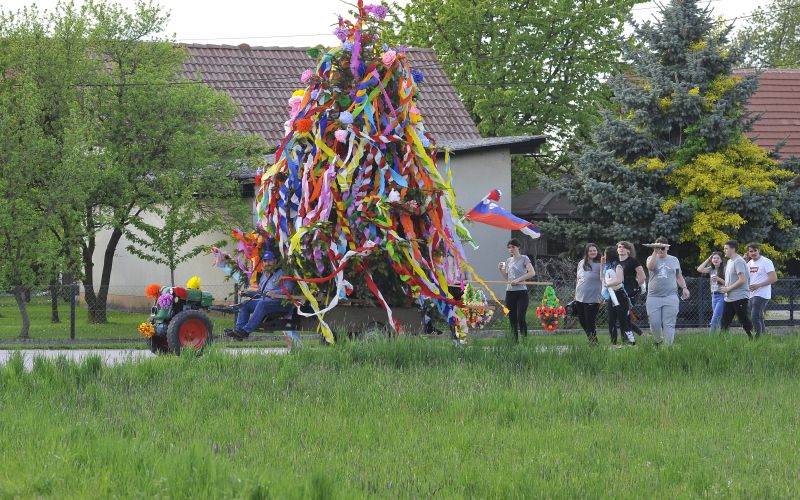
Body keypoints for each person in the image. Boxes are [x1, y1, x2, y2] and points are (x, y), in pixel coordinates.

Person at [226, 250, 294, 340]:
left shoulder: (283, 273)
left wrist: (275, 293)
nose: (267, 263)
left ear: (275, 261)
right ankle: (239, 331)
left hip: (280, 303)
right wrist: (248, 293)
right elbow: (261, 293)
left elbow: (289, 289)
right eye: (265, 261)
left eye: (270, 260)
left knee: (262, 304)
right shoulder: (264, 275)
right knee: (245, 304)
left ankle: (246, 331)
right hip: (265, 302)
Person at [645, 237, 690, 346]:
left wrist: (684, 287)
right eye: (658, 248)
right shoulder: (651, 258)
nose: (660, 250)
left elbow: (678, 276)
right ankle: (658, 341)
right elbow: (650, 267)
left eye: (662, 248)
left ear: (667, 248)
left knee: (669, 323)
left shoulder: (674, 260)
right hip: (653, 297)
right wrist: (655, 252)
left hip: (671, 296)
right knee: (654, 323)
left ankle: (667, 348)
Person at [498, 238, 536, 341]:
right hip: (510, 293)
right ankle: (514, 342)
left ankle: (525, 340)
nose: (511, 249)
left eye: (513, 247)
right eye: (509, 247)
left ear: (518, 247)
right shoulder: (508, 260)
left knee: (520, 317)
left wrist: (518, 280)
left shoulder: (524, 258)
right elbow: (508, 278)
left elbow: (532, 273)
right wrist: (501, 270)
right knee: (512, 319)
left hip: (521, 293)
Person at [720, 240, 754, 339]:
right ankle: (722, 340)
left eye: (726, 248)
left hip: (739, 296)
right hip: (729, 297)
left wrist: (728, 288)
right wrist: (726, 288)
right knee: (725, 320)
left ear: (733, 249)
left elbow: (742, 280)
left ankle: (753, 337)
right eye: (724, 248)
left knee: (743, 318)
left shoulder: (738, 261)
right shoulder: (730, 261)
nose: (724, 250)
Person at [602, 246, 634, 347]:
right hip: (612, 295)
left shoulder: (618, 266)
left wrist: (608, 285)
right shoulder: (608, 266)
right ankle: (613, 342)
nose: (604, 256)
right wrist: (602, 265)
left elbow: (620, 280)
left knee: (623, 320)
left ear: (609, 255)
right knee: (611, 320)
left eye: (605, 254)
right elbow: (602, 278)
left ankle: (631, 342)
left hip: (620, 295)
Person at [746, 242, 777, 338]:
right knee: (759, 316)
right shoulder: (749, 263)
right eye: (751, 251)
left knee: (754, 317)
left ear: (759, 250)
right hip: (752, 294)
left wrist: (758, 285)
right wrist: (743, 261)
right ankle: (764, 337)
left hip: (763, 294)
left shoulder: (766, 261)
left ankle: (757, 339)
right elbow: (744, 277)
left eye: (755, 250)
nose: (753, 253)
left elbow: (774, 278)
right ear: (748, 253)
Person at [574, 243, 603, 344]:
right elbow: (578, 279)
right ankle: (592, 341)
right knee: (582, 321)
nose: (593, 252)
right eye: (590, 251)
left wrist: (603, 296)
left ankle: (594, 343)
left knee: (590, 322)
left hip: (594, 297)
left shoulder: (601, 263)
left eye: (594, 250)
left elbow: (605, 280)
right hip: (580, 296)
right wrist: (575, 294)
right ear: (587, 252)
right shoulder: (581, 263)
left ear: (597, 251)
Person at [616, 241, 646, 339]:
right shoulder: (616, 262)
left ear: (629, 250)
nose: (621, 248)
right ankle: (642, 335)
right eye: (619, 247)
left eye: (624, 247)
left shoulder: (633, 261)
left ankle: (628, 340)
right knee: (624, 318)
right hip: (618, 292)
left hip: (630, 293)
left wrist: (636, 287)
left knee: (624, 317)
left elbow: (642, 276)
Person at [696, 251, 725, 332]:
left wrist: (719, 279)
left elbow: (729, 284)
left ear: (721, 260)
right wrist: (708, 259)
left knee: (714, 319)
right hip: (713, 296)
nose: (715, 259)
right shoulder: (711, 269)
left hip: (722, 296)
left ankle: (711, 338)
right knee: (718, 319)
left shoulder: (725, 269)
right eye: (714, 258)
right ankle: (722, 336)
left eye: (717, 258)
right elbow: (699, 269)